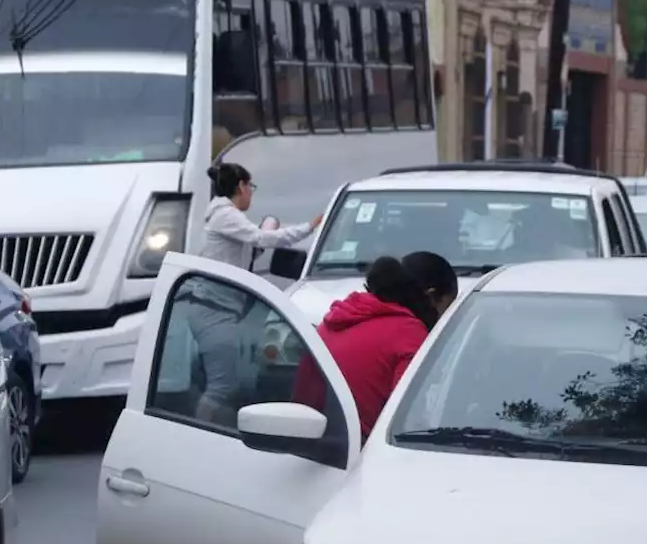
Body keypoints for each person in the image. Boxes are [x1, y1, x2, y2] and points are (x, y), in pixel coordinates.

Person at [182, 162, 324, 424]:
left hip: (220, 307)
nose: (251, 193)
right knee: (222, 386)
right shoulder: (225, 214)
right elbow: (261, 239)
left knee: (228, 383)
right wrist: (309, 227)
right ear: (241, 186)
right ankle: (196, 430)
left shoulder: (225, 215)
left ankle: (211, 427)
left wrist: (265, 231)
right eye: (251, 187)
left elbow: (249, 247)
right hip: (213, 308)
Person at [293, 251, 458, 441]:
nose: (445, 322)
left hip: (311, 442)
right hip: (364, 452)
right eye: (447, 309)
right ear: (431, 296)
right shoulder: (409, 333)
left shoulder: (339, 317)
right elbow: (408, 420)